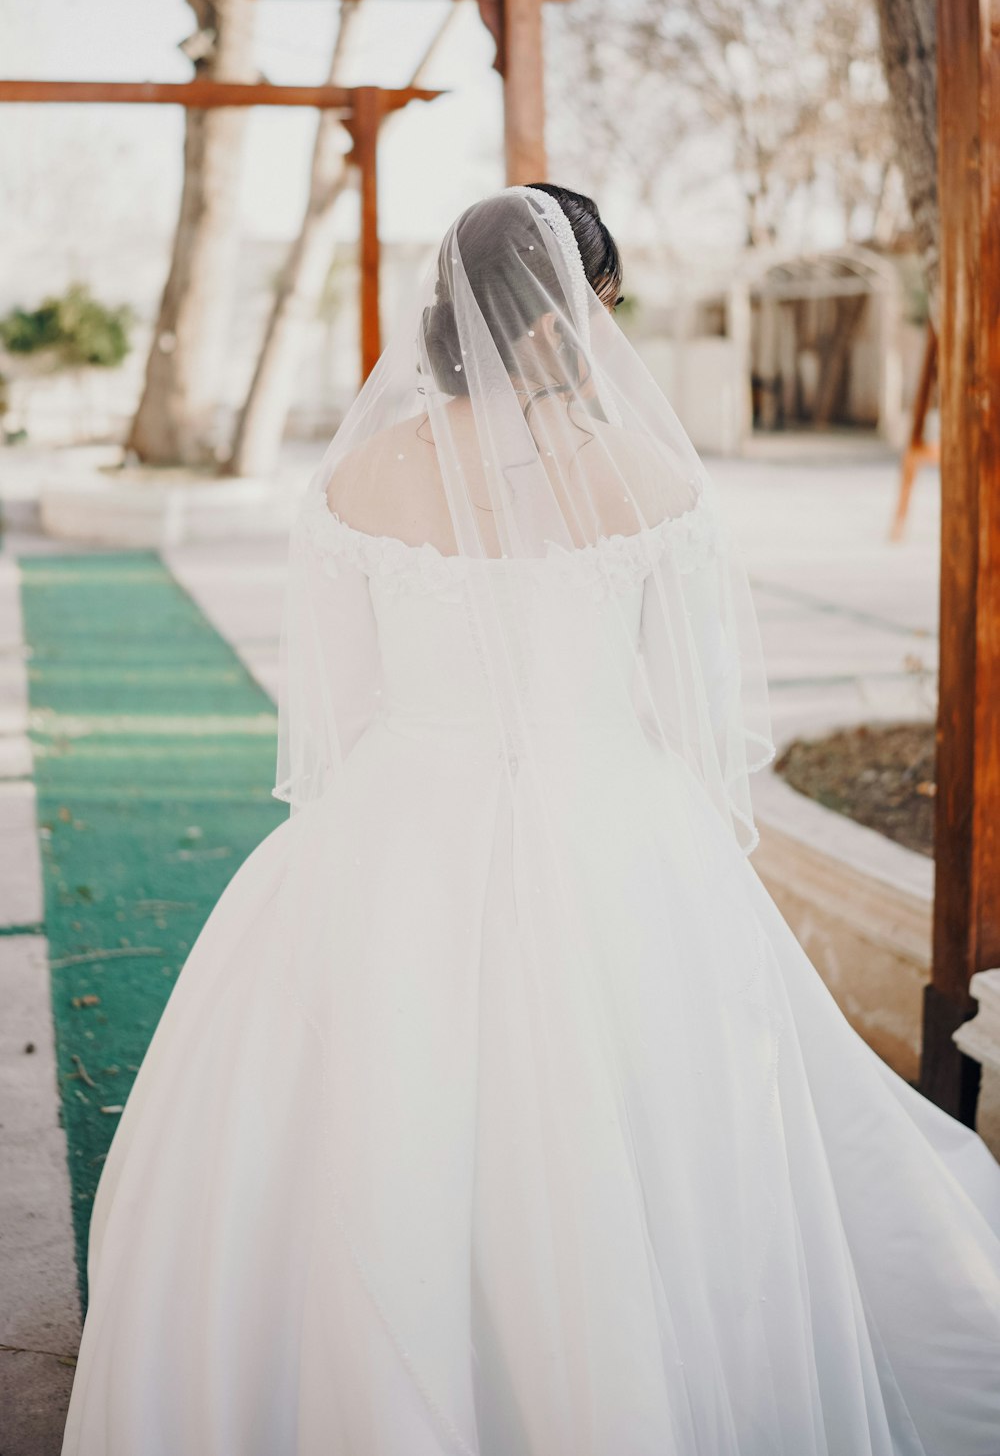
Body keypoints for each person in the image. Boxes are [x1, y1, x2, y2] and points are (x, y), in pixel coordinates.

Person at [62, 186, 1000, 1455]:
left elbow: (338, 708)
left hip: (397, 817)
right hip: (617, 814)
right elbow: (686, 705)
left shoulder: (353, 475)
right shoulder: (653, 474)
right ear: (581, 307)